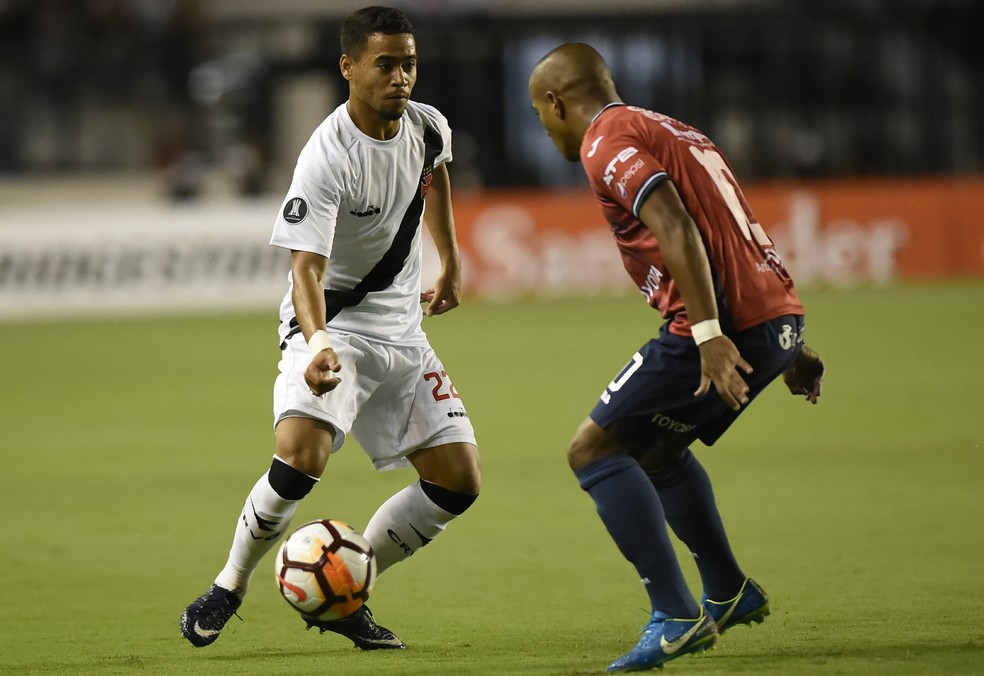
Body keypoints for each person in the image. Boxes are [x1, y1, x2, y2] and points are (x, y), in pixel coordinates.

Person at [180, 6, 481, 651]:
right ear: (349, 68)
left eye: (409, 64)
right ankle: (229, 584)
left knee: (459, 481)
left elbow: (437, 178)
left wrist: (450, 263)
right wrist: (317, 342)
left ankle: (346, 587)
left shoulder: (427, 127)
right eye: (386, 65)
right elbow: (305, 270)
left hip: (404, 334)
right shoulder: (326, 155)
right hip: (335, 325)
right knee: (301, 455)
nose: (401, 77)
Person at [528, 43, 825, 672]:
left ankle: (676, 614)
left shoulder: (605, 139)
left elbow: (677, 224)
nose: (545, 128)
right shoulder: (677, 129)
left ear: (556, 102)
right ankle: (729, 590)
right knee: (657, 451)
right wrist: (790, 343)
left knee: (592, 449)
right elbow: (734, 224)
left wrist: (711, 333)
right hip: (773, 318)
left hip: (719, 324)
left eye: (540, 114)